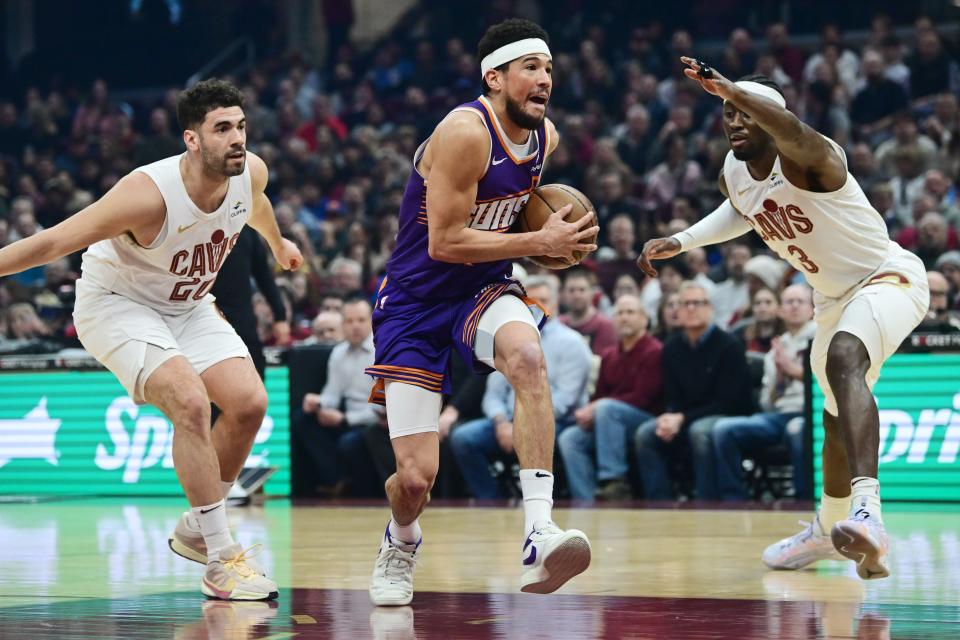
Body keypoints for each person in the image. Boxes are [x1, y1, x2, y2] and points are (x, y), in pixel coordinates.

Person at [0, 79, 304, 600]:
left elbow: (255, 205)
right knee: (188, 400)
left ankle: (195, 528)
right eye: (222, 129)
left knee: (250, 403)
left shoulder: (249, 170)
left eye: (241, 127)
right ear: (192, 139)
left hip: (186, 306)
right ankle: (220, 558)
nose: (237, 139)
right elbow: (54, 240)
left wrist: (278, 244)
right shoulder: (146, 194)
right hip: (118, 304)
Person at [638, 60, 929, 580]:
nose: (735, 121)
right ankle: (828, 528)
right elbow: (741, 210)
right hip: (831, 296)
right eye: (727, 112)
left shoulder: (815, 158)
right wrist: (682, 240)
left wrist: (735, 90)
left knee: (845, 358)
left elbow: (792, 131)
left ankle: (869, 513)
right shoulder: (733, 169)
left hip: (887, 276)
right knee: (836, 415)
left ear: (772, 117)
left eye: (746, 112)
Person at [363, 18, 598, 606]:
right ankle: (401, 538)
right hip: (414, 302)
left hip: (482, 288)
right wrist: (538, 245)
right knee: (415, 479)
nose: (544, 80)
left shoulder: (548, 140)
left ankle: (539, 531)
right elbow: (444, 241)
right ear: (494, 77)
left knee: (527, 354)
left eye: (548, 68)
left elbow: (513, 219)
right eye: (530, 68)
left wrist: (552, 236)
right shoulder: (464, 132)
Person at [449, 275, 591, 498]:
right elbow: (492, 395)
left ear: (555, 302)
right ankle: (491, 501)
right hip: (507, 422)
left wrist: (522, 425)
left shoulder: (573, 343)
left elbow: (565, 400)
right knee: (463, 437)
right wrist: (502, 422)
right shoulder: (503, 339)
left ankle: (563, 502)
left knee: (560, 437)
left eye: (544, 299)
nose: (539, 305)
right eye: (531, 300)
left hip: (558, 421)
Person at [633, 281, 753, 500]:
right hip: (686, 417)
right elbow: (672, 396)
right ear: (677, 310)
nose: (691, 308)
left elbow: (730, 401)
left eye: (698, 303)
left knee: (700, 431)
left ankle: (707, 503)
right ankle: (659, 505)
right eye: (685, 303)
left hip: (727, 415)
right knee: (646, 433)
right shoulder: (671, 347)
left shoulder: (729, 345)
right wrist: (670, 417)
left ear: (710, 309)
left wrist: (682, 418)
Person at [713, 284, 816, 501]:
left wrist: (794, 371)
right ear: (781, 310)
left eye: (800, 302)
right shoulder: (774, 351)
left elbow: (831, 388)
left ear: (811, 309)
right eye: (789, 302)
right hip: (779, 416)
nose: (794, 306)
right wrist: (779, 379)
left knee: (797, 430)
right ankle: (733, 501)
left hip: (813, 415)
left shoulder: (824, 339)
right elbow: (767, 404)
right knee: (724, 429)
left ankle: (804, 501)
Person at [558, 294, 663, 500]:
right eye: (620, 313)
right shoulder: (609, 355)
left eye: (630, 312)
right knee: (570, 438)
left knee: (607, 408)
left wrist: (598, 407)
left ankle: (614, 480)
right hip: (609, 421)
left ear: (645, 319)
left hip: (645, 419)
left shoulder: (655, 350)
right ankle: (586, 500)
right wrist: (590, 411)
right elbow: (599, 395)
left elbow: (644, 397)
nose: (624, 318)